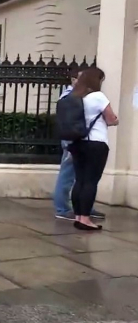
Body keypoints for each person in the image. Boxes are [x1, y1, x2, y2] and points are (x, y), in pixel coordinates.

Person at [68, 67, 118, 231]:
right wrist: (115, 120)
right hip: (96, 143)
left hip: (78, 142)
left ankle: (77, 216)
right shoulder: (98, 96)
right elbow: (111, 119)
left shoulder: (76, 96)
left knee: (80, 180)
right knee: (91, 181)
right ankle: (85, 219)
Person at [53, 68, 105, 221]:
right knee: (68, 175)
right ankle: (62, 208)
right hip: (73, 139)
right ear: (73, 79)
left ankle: (84, 208)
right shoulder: (70, 96)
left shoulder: (78, 96)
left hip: (79, 139)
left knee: (81, 177)